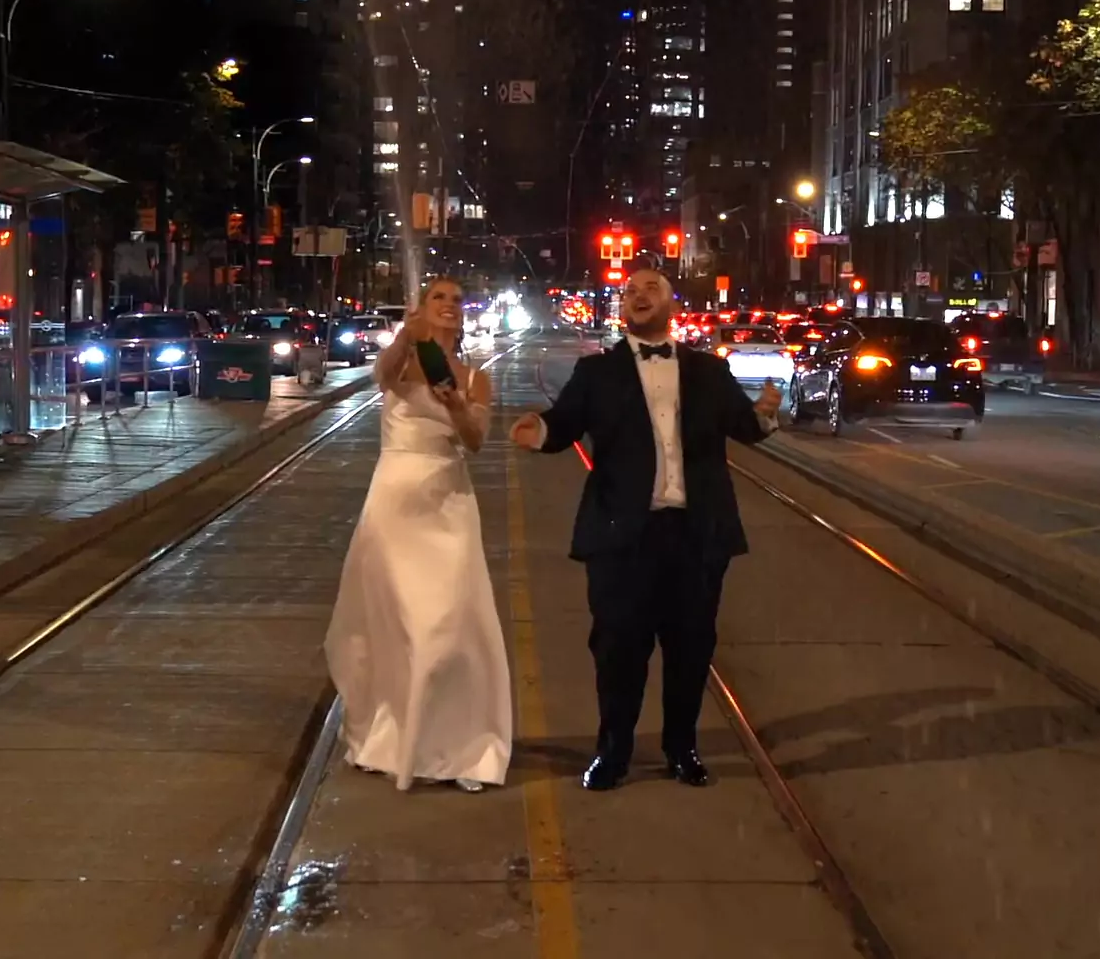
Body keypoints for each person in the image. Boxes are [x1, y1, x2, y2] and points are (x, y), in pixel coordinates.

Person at [511, 268, 781, 791]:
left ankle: (682, 749)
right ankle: (612, 753)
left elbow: (744, 427)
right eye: (630, 290)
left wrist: (766, 414)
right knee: (618, 650)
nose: (638, 295)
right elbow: (564, 422)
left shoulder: (710, 371)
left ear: (673, 305)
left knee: (691, 648)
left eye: (651, 288)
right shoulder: (596, 372)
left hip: (696, 532)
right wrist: (539, 430)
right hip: (621, 536)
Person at [325, 277, 511, 793]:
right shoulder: (403, 363)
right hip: (393, 508)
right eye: (438, 298)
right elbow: (381, 376)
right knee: (396, 627)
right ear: (421, 308)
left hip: (447, 505)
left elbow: (475, 441)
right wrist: (408, 336)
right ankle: (388, 738)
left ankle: (460, 748)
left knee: (447, 626)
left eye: (456, 300)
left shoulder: (474, 378)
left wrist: (456, 407)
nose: (449, 305)